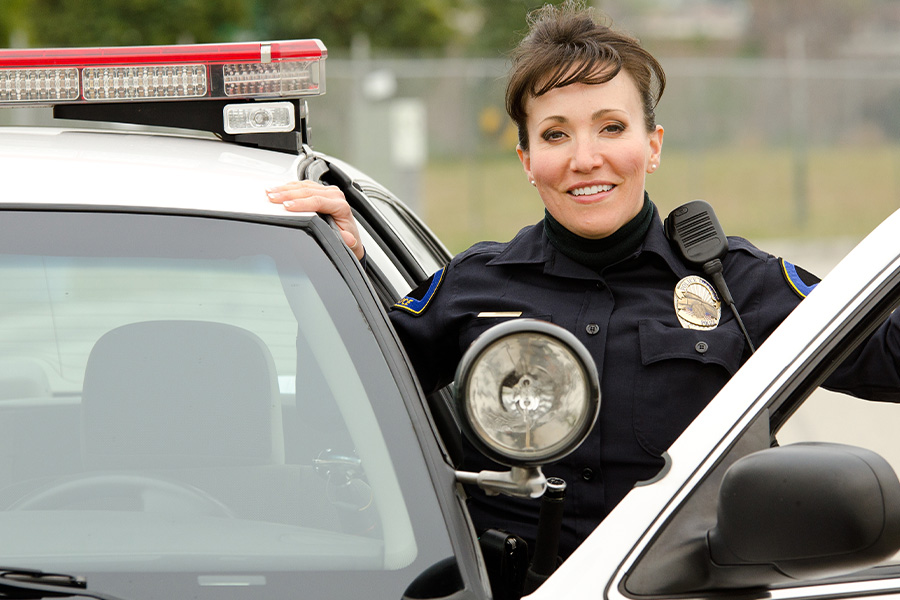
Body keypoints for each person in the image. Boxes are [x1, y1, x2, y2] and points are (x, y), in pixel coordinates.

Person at [266, 0, 900, 560]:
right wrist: (335, 279)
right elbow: (335, 408)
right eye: (555, 134)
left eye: (612, 127)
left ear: (652, 145)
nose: (585, 158)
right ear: (526, 160)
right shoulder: (470, 288)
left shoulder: (741, 287)